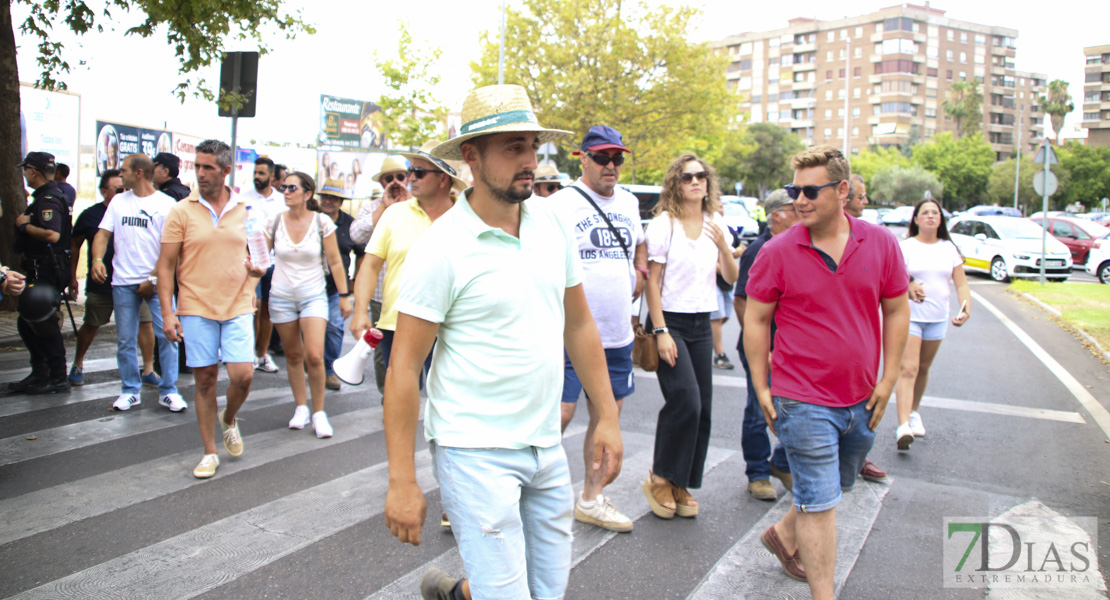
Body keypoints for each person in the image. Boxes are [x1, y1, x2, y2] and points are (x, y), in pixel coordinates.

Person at [382, 84, 623, 600]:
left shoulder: (551, 224)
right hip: (474, 450)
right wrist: (402, 479)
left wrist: (606, 415)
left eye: (532, 146)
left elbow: (578, 325)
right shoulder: (441, 248)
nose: (529, 161)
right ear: (471, 156)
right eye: (513, 147)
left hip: (544, 445)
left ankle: (464, 593)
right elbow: (403, 367)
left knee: (546, 592)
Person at [744, 146, 909, 598]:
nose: (799, 199)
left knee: (838, 484)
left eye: (810, 190)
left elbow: (896, 309)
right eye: (794, 190)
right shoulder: (777, 251)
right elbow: (756, 320)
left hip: (862, 398)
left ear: (841, 190)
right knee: (820, 503)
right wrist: (761, 384)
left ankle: (783, 533)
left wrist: (889, 377)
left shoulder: (880, 243)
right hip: (801, 398)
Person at [547, 125, 644, 533]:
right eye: (602, 158)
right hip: (570, 334)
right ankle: (520, 496)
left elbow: (639, 242)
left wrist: (638, 268)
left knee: (607, 420)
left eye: (617, 158)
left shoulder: (631, 202)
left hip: (617, 335)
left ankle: (591, 498)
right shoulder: (560, 204)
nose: (611, 166)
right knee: (559, 417)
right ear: (582, 158)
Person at [157, 139, 263, 479]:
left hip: (237, 304)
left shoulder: (246, 208)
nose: (200, 173)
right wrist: (168, 313)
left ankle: (229, 417)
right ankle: (209, 451)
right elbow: (165, 266)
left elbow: (260, 256)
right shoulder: (182, 210)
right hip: (195, 305)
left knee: (243, 376)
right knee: (204, 380)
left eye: (208, 167)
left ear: (226, 170)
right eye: (197, 166)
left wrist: (257, 270)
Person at [641, 153, 738, 520]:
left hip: (702, 322)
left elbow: (729, 278)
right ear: (675, 184)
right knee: (686, 399)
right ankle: (660, 477)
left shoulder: (716, 223)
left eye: (700, 176)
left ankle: (681, 481)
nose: (695, 182)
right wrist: (661, 329)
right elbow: (654, 282)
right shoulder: (665, 224)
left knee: (704, 409)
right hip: (672, 323)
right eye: (686, 177)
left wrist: (725, 248)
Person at [349, 141, 465, 384]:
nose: (411, 178)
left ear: (443, 180)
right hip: (397, 322)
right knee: (398, 389)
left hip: (452, 325)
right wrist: (359, 311)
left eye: (418, 172)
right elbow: (369, 266)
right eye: (411, 171)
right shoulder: (393, 213)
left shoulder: (465, 219)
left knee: (448, 392)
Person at [90, 154, 184, 412]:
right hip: (123, 282)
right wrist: (97, 259)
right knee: (125, 340)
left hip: (158, 283)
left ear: (139, 173)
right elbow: (102, 234)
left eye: (123, 172)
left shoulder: (166, 204)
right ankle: (130, 390)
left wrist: (153, 278)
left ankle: (169, 390)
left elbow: (171, 249)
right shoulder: (119, 202)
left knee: (168, 336)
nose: (120, 176)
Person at [265, 173, 351, 437]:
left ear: (306, 194)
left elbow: (335, 261)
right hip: (281, 296)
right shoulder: (275, 221)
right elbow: (259, 257)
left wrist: (344, 295)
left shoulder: (322, 222)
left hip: (314, 295)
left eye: (291, 187)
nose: (286, 191)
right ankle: (301, 407)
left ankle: (319, 412)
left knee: (314, 355)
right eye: (283, 187)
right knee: (292, 355)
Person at [732, 189, 797, 501]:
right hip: (763, 347)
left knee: (796, 408)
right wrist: (761, 345)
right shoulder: (757, 250)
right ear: (777, 215)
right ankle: (757, 473)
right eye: (793, 209)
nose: (801, 213)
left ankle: (781, 462)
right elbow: (741, 301)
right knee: (759, 408)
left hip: (790, 346)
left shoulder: (796, 246)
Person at [69, 169, 158, 387]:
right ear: (103, 191)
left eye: (126, 188)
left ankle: (148, 369)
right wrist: (72, 276)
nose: (124, 192)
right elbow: (74, 245)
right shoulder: (90, 215)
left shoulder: (139, 209)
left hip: (135, 281)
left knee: (145, 324)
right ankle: (78, 363)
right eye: (118, 189)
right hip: (103, 282)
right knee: (91, 324)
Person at [894, 198, 970, 450]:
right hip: (911, 316)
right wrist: (909, 285)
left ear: (940, 219)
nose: (930, 216)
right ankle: (903, 426)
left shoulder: (949, 248)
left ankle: (914, 412)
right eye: (924, 213)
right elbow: (893, 279)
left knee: (924, 368)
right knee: (909, 369)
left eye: (934, 213)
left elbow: (961, 283)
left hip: (937, 319)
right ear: (915, 219)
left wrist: (965, 307)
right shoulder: (905, 247)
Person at [349, 156, 412, 394]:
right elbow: (357, 235)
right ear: (382, 182)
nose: (395, 182)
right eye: (389, 178)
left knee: (412, 352)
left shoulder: (419, 205)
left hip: (412, 293)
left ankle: (405, 398)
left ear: (408, 177)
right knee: (382, 355)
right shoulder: (372, 206)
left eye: (400, 177)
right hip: (380, 296)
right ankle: (388, 400)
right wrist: (384, 207)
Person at [11, 151, 72, 395]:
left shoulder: (48, 198)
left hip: (47, 269)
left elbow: (52, 235)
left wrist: (24, 226)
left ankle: (57, 376)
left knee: (43, 323)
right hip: (44, 268)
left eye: (25, 169)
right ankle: (40, 372)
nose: (24, 174)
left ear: (33, 171)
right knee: (28, 322)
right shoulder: (51, 194)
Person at [315, 184, 366, 391]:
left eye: (333, 198)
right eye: (325, 197)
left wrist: (356, 279)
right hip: (309, 285)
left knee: (334, 327)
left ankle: (329, 370)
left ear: (341, 202)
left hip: (337, 286)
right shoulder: (311, 218)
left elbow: (362, 253)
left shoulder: (349, 224)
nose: (328, 201)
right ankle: (310, 363)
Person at [243, 157, 286, 375]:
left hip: (275, 262)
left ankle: (263, 354)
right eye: (255, 172)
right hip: (251, 262)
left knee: (268, 310)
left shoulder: (282, 200)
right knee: (254, 305)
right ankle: (249, 353)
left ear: (271, 177)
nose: (256, 177)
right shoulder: (243, 198)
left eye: (261, 173)